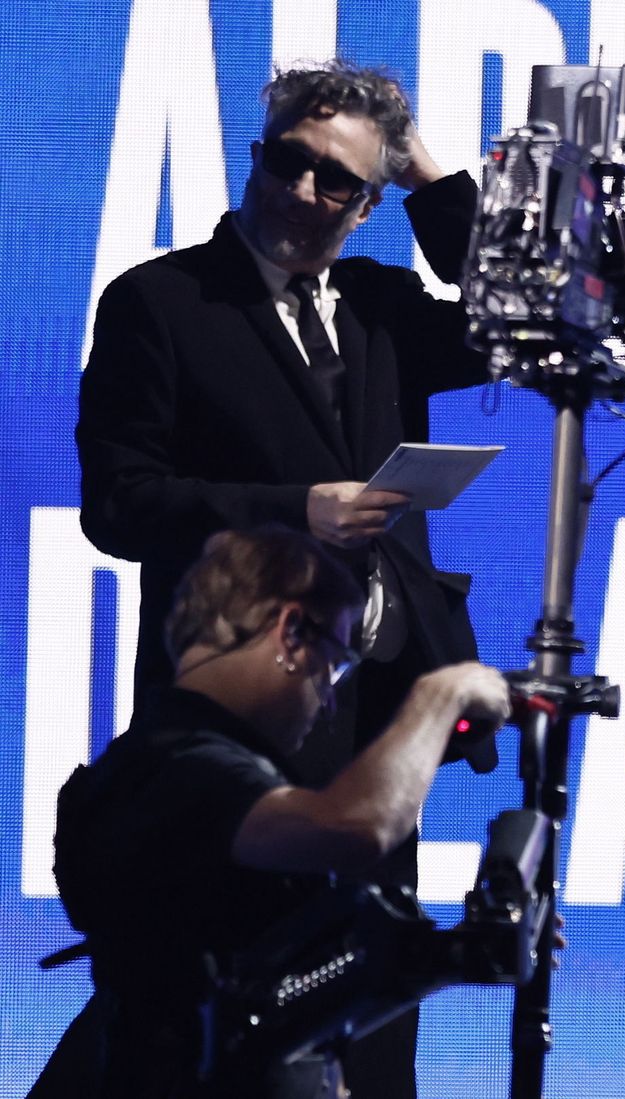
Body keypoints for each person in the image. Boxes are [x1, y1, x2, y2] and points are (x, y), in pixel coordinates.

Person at [76, 61, 490, 1093]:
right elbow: (118, 502)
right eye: (288, 164)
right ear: (258, 157)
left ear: (368, 201)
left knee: (371, 977)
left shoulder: (384, 306)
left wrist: (427, 169)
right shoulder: (161, 302)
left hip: (375, 688)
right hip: (241, 699)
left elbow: (509, 309)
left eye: (338, 182)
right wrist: (291, 507)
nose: (304, 195)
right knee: (226, 996)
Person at [46, 525, 511, 1097]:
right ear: (291, 633)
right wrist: (439, 695)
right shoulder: (177, 771)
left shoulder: (180, 770)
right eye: (335, 661)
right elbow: (358, 825)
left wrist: (465, 950)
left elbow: (281, 998)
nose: (331, 697)